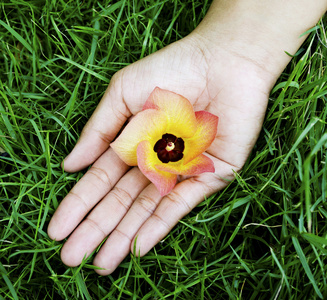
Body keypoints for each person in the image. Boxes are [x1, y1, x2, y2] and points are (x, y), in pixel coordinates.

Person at [47, 0, 327, 275]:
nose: (170, 146)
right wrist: (232, 48)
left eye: (171, 146)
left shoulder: (190, 150)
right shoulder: (160, 144)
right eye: (170, 146)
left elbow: (200, 158)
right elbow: (135, 145)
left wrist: (240, 59)